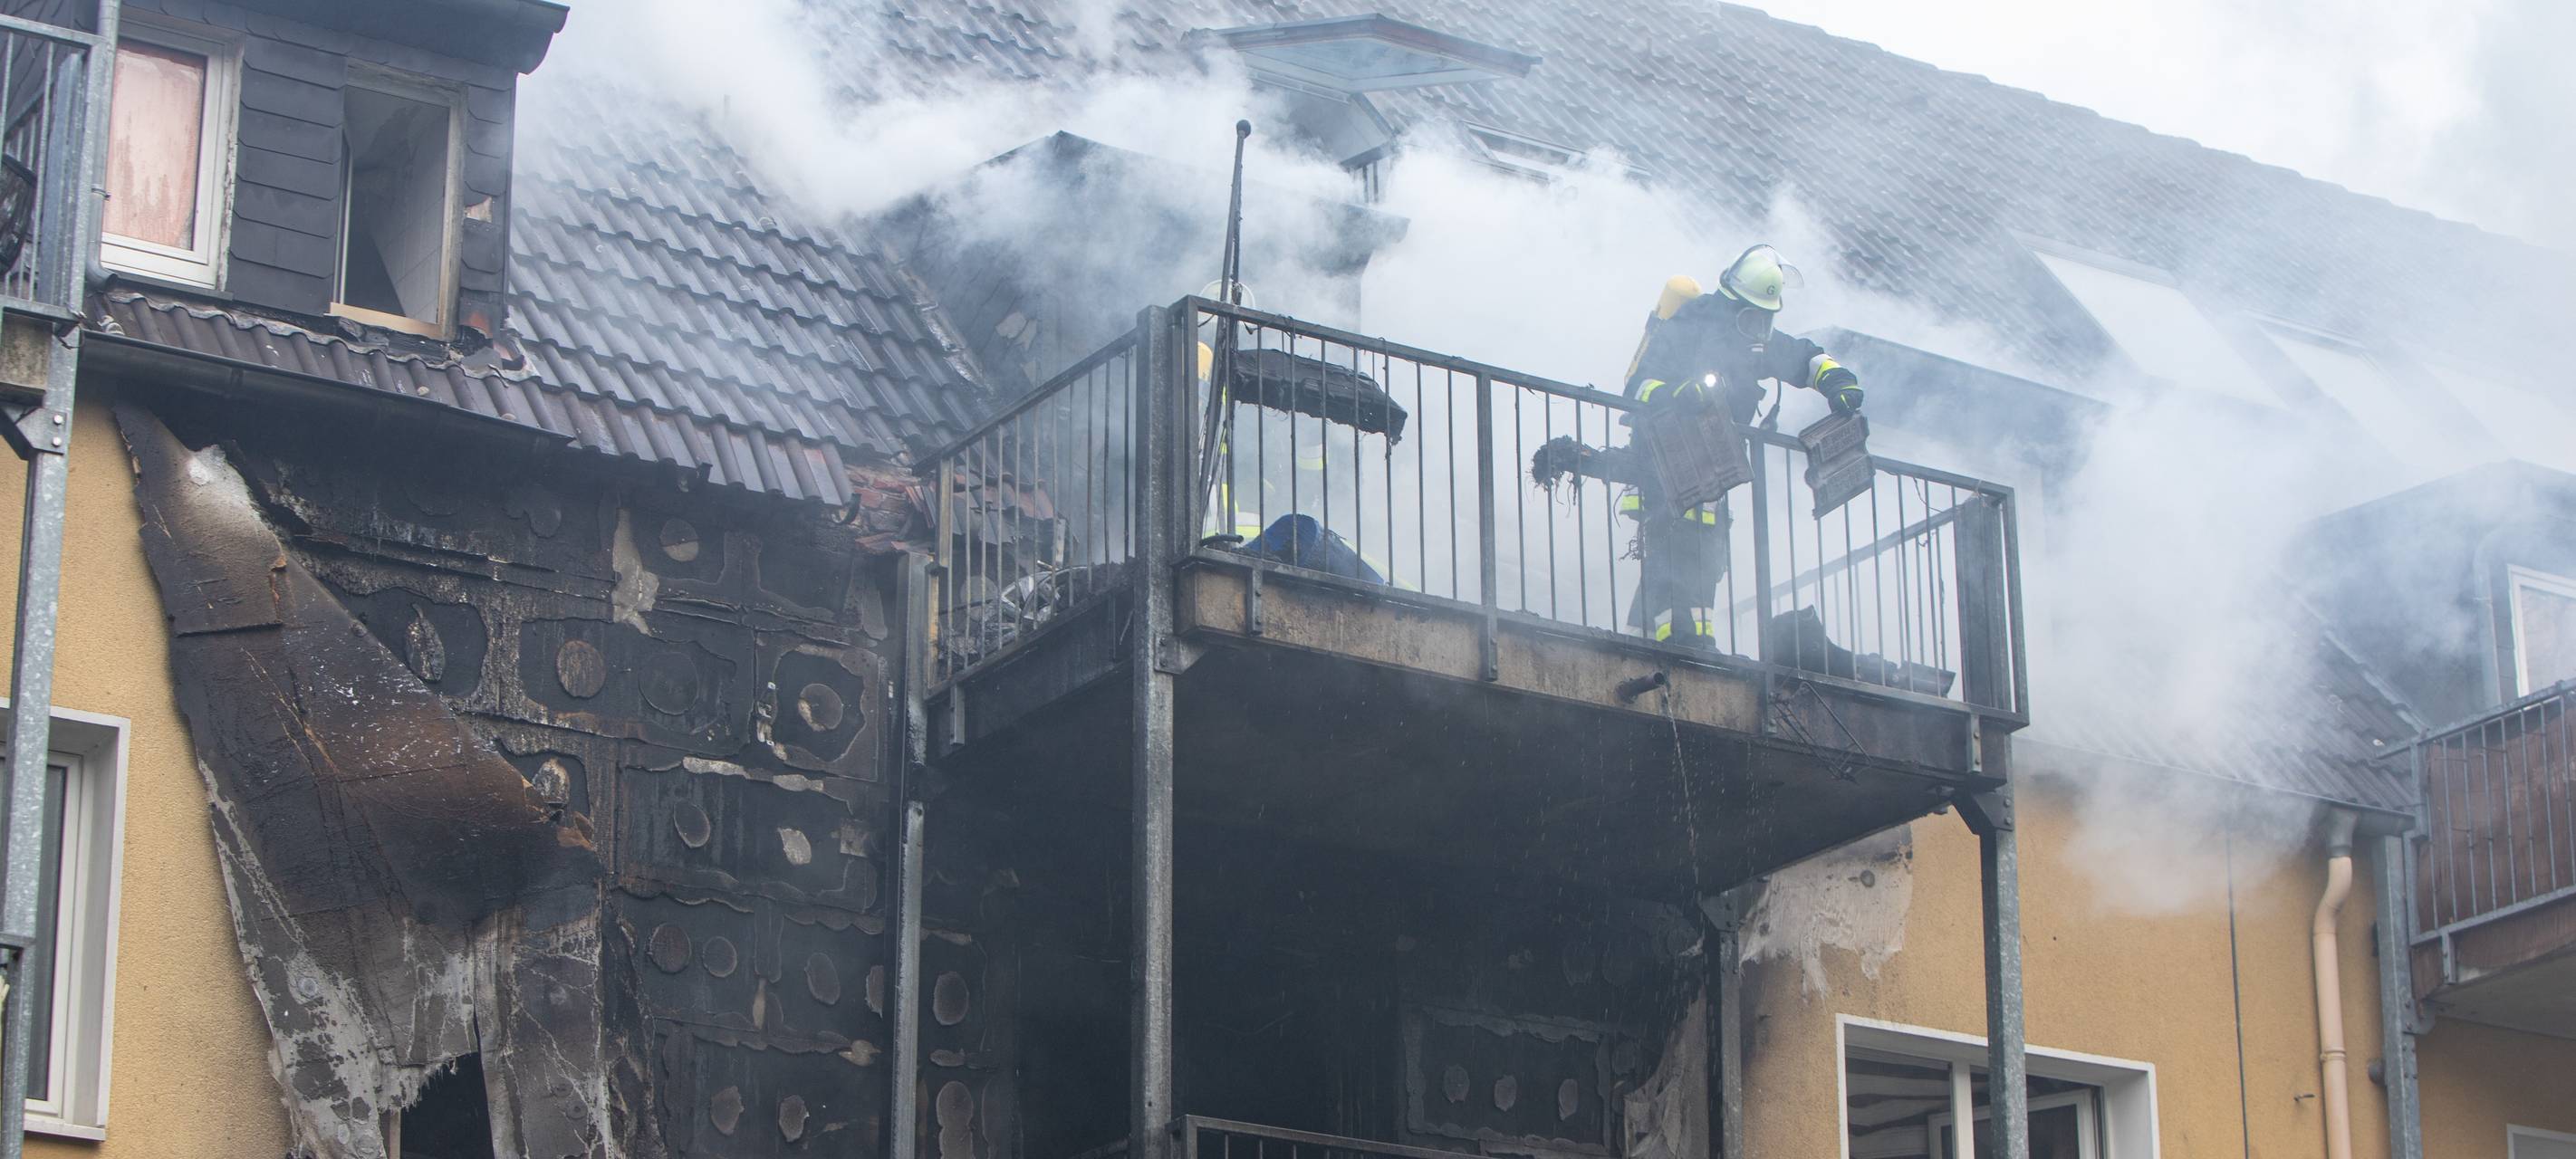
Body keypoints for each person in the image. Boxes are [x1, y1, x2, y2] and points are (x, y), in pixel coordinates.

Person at [1616, 244, 1863, 648]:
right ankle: (1677, 637)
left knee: (1708, 551)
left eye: (1765, 318)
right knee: (1674, 542)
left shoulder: (1756, 340)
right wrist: (1680, 395)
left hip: (1717, 463)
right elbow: (1639, 386)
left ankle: (1682, 637)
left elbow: (1805, 357)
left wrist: (1838, 381)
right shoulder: (1687, 328)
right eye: (1752, 315)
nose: (1759, 326)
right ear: (1732, 306)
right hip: (1669, 458)